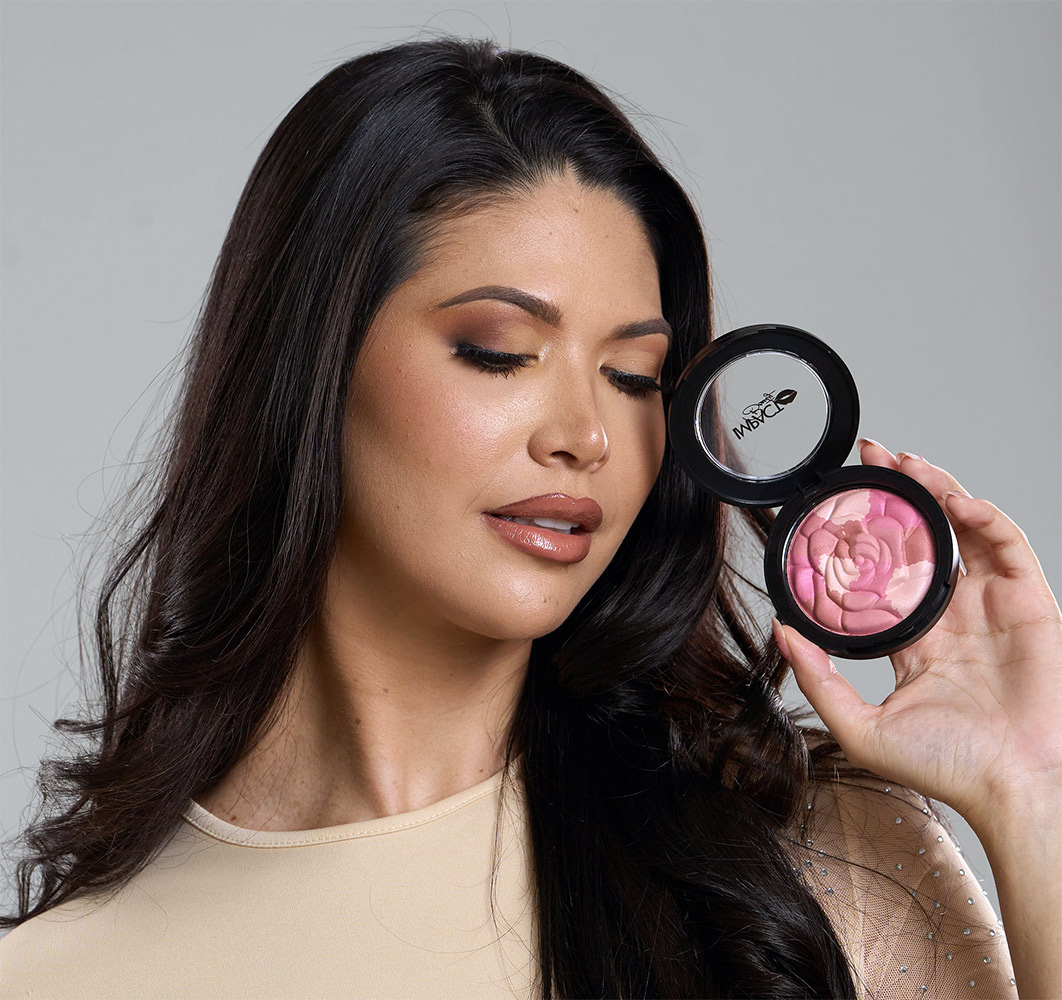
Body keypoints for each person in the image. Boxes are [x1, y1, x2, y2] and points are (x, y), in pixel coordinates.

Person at [1, 35, 1058, 1000]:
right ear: (311, 369)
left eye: (636, 376)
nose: (587, 436)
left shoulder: (802, 862)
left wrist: (1033, 793)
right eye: (499, 352)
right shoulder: (59, 975)